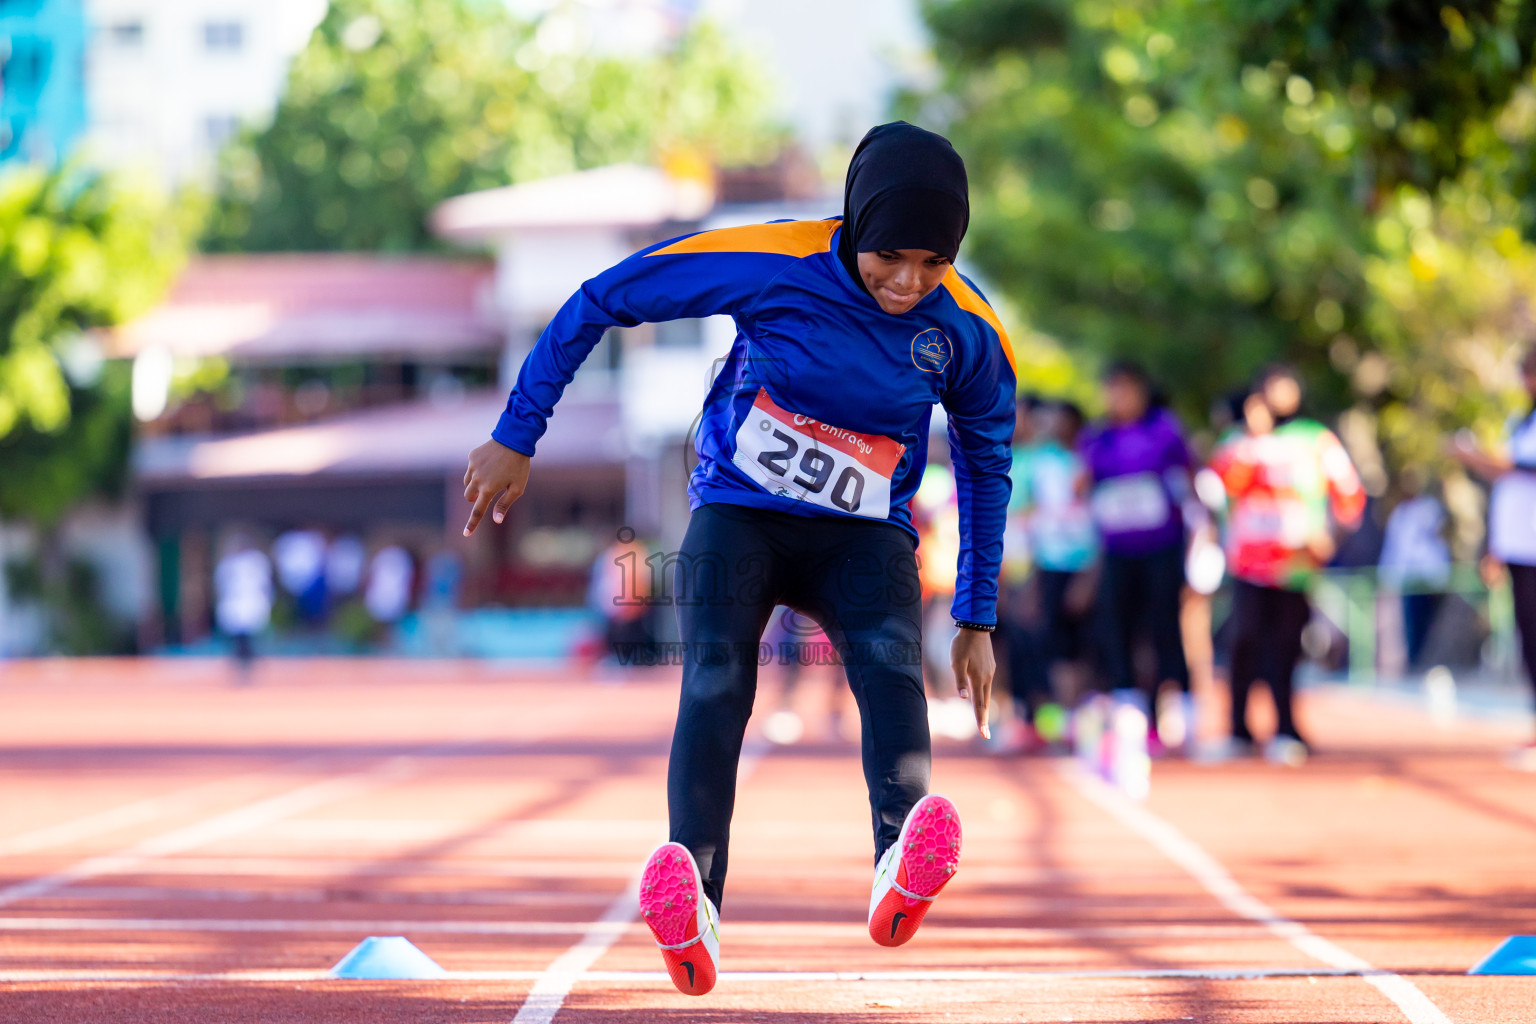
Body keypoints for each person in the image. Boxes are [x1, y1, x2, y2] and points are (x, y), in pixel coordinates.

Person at [462, 122, 1014, 995]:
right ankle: (695, 902)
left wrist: (977, 614)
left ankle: (900, 861)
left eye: (932, 263)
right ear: (854, 222)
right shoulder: (770, 260)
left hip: (862, 532)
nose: (908, 283)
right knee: (716, 680)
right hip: (741, 514)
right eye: (889, 258)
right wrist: (516, 435)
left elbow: (988, 461)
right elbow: (600, 298)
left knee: (889, 669)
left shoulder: (969, 331)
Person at [1210, 366, 1365, 765]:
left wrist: (1330, 535)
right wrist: (1250, 441)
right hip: (1247, 563)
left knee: (1285, 645)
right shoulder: (1237, 443)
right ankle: (1238, 730)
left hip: (1295, 563)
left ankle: (1286, 728)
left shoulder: (1315, 439)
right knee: (1243, 640)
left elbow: (1349, 494)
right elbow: (1215, 491)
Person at [1079, 362, 1197, 753]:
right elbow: (1084, 485)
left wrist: (1198, 536)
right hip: (1117, 550)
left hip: (1162, 546)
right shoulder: (1097, 437)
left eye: (1127, 389)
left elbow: (1189, 478)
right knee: (1119, 628)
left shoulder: (1164, 428)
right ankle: (1131, 711)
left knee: (1165, 626)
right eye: (1113, 390)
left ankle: (1179, 709)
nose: (1120, 398)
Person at [1450, 344, 1536, 767]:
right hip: (1521, 548)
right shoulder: (1520, 422)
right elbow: (1509, 486)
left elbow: (1518, 469)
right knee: (1529, 640)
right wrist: (1496, 548)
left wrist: (1477, 457)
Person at [1005, 399, 1097, 746]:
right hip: (1043, 564)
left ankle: (1075, 717)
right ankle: (1045, 717)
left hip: (1080, 564)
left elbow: (1092, 517)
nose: (1050, 428)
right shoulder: (1039, 463)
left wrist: (1090, 573)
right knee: (1041, 642)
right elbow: (1028, 518)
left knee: (1077, 645)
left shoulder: (1085, 462)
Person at [1378, 468, 1451, 671]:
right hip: (1409, 578)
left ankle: (1426, 661)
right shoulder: (1401, 513)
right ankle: (1415, 661)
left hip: (1430, 576)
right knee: (1411, 623)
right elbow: (1396, 547)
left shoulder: (1429, 509)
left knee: (1431, 622)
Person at [214, 536, 272, 686]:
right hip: (238, 604)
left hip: (249, 603)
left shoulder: (255, 561)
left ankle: (248, 672)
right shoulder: (232, 563)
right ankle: (241, 672)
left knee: (249, 642)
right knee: (239, 643)